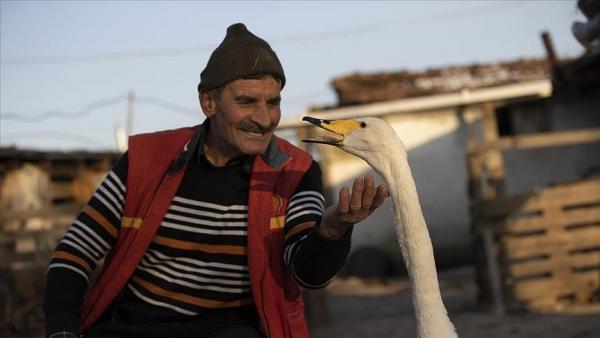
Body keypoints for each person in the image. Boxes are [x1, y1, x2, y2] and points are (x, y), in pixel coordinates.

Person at [43, 23, 389, 338]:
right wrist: (61, 332)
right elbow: (74, 253)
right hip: (133, 328)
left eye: (273, 102)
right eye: (247, 102)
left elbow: (308, 274)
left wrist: (331, 231)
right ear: (208, 102)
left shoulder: (295, 171)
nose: (264, 118)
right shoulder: (146, 160)